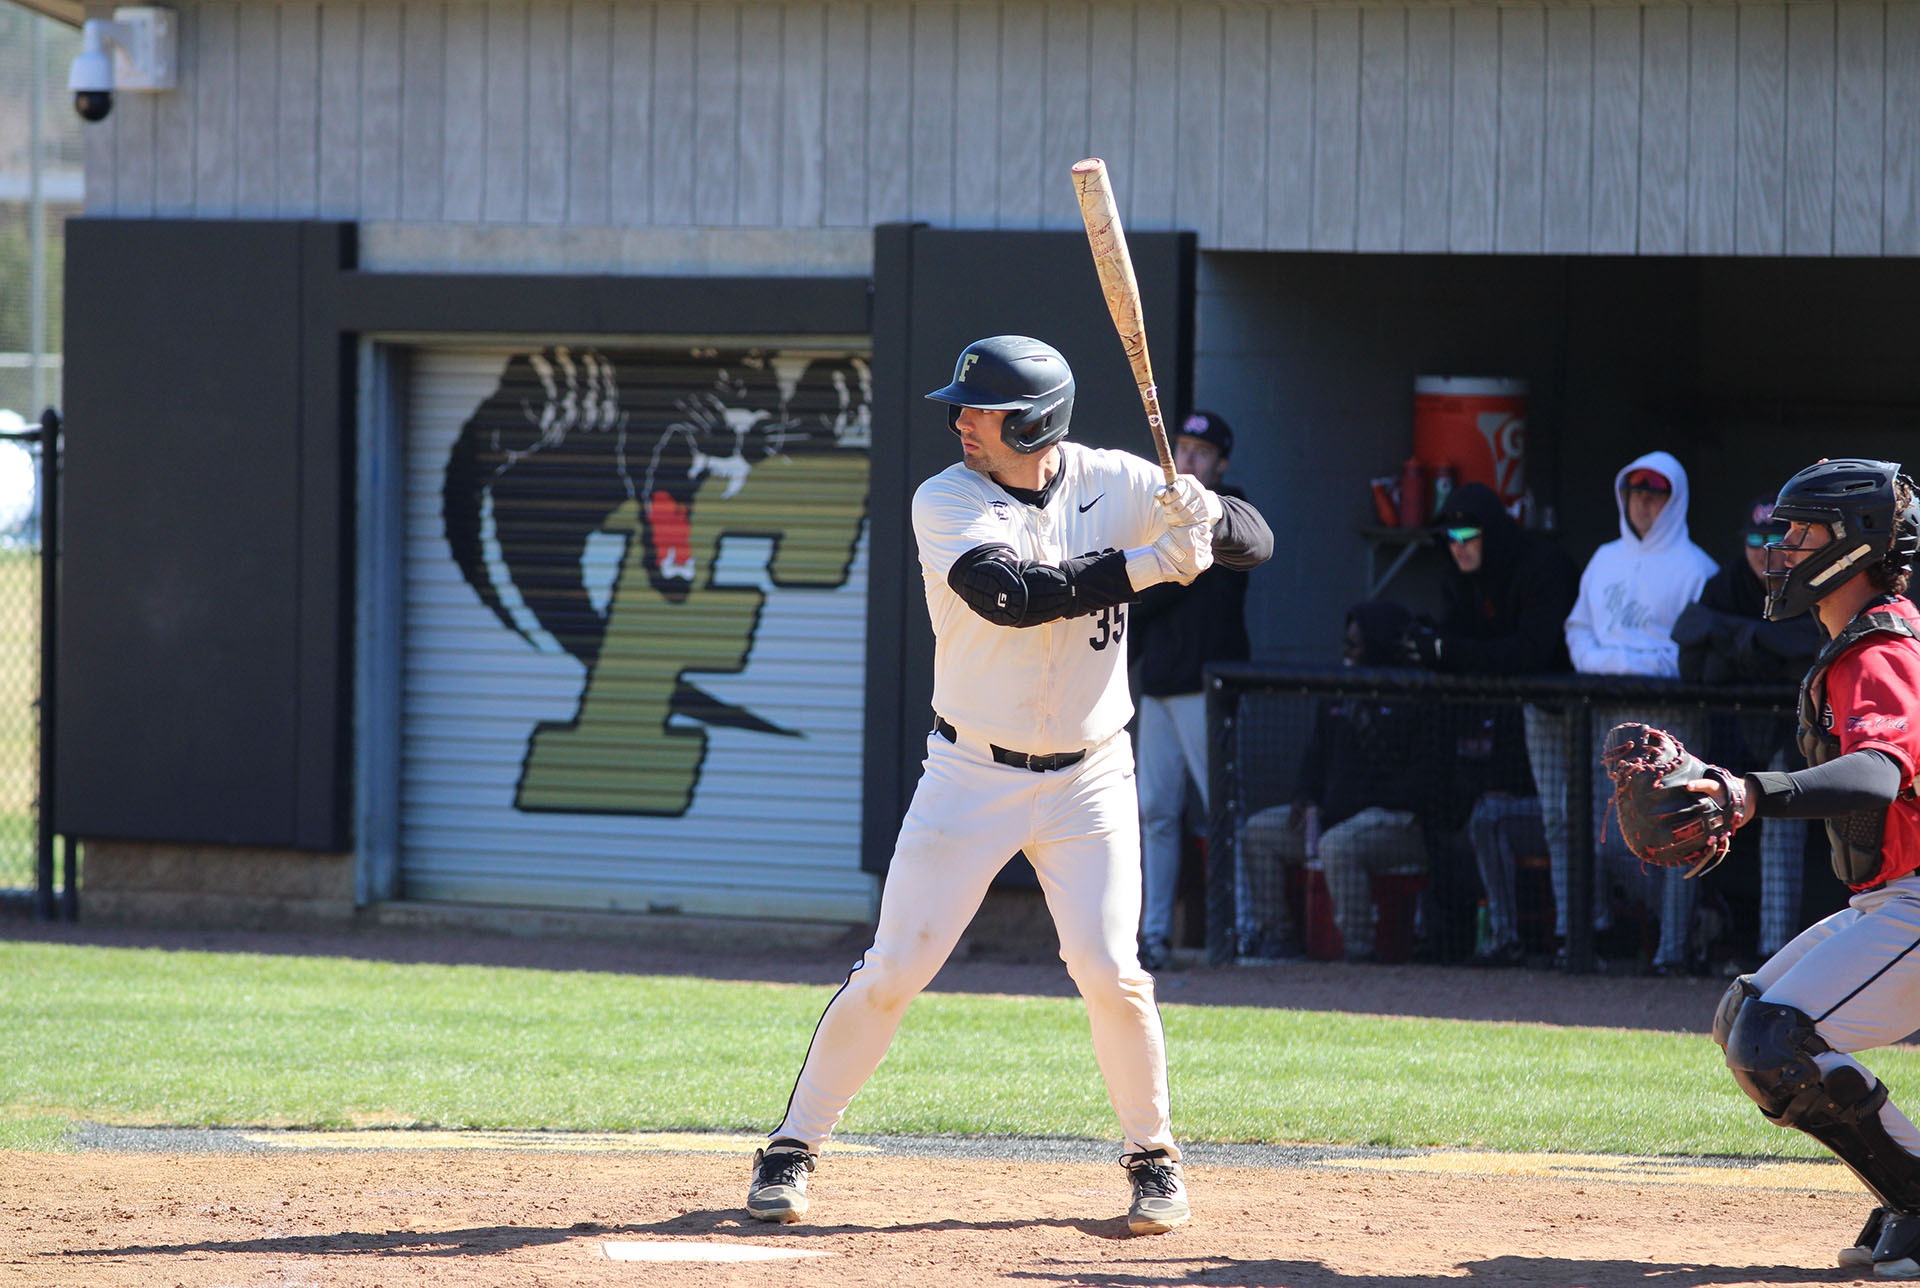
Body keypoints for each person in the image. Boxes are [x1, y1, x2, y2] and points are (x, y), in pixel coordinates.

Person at [745, 335, 1272, 1236]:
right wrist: (1154, 563)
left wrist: (1207, 512)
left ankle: (1154, 1162)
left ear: (1032, 421)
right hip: (969, 771)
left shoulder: (1117, 478)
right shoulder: (945, 498)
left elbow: (1256, 543)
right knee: (895, 969)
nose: (960, 421)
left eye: (978, 410)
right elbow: (1013, 595)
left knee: (1112, 971)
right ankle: (792, 1147)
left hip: (1093, 775)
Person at [1686, 460, 1920, 1276]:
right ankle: (1910, 1194)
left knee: (1775, 1039)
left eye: (1800, 532)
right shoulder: (1862, 637)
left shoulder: (1882, 643)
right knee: (1744, 1019)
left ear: (1854, 545)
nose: (1781, 548)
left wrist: (1749, 793)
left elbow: (1877, 774)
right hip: (1894, 900)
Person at [1404, 481, 1580, 966]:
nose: (1458, 546)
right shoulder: (1461, 578)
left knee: (1590, 824)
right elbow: (1462, 640)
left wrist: (1451, 651)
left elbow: (1531, 650)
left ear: (1491, 534)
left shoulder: (1541, 565)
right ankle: (1526, 936)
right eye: (1451, 537)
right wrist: (1436, 645)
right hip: (1527, 721)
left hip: (1581, 715)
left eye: (1467, 535)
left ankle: (1593, 934)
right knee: (1540, 821)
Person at [1556, 451, 1717, 973]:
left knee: (1677, 829)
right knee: (1598, 831)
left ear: (1675, 500)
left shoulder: (1698, 568)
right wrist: (1612, 665)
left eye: (1655, 493)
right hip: (1604, 718)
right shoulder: (1604, 559)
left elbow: (1689, 653)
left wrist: (1622, 663)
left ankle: (1676, 948)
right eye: (1635, 491)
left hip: (1671, 723)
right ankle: (1594, 935)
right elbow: (1578, 631)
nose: (1643, 503)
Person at [1130, 411, 1258, 971]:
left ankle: (1247, 927)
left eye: (1202, 452)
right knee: (1155, 812)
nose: (1188, 460)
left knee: (1222, 810)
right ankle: (1153, 933)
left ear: (1221, 462)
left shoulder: (1231, 518)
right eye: (1182, 448)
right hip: (1159, 688)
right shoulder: (1153, 513)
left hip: (1207, 689)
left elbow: (1159, 587)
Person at [1670, 496, 1820, 969]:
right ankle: (1675, 950)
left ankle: (1773, 952)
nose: (1763, 551)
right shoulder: (1726, 583)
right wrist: (1757, 644)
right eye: (1754, 541)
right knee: (1687, 816)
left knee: (1781, 831)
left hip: (1795, 732)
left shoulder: (1808, 582)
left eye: (1774, 541)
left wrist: (1732, 641)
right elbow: (1691, 656)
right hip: (1729, 734)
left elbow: (1807, 654)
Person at [1240, 601, 1430, 964]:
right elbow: (1315, 758)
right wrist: (1305, 796)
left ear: (1376, 643)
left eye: (1355, 645)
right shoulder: (1340, 691)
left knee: (1338, 845)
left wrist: (1355, 803)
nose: (1347, 652)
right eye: (1345, 643)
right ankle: (1278, 936)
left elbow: (1421, 786)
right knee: (1259, 832)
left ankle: (1358, 950)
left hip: (1398, 826)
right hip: (1337, 819)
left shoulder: (1413, 692)